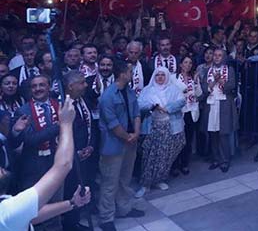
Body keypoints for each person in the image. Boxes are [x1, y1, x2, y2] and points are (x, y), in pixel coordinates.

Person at [0, 98, 91, 231]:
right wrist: (65, 124)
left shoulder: (10, 211)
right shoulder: (7, 212)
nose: (1, 167)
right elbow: (64, 165)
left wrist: (71, 203)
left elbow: (30, 215)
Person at [98, 60, 144, 231]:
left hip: (130, 141)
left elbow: (137, 113)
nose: (132, 74)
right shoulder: (108, 96)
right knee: (110, 182)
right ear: (123, 74)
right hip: (114, 144)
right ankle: (106, 218)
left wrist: (136, 133)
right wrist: (128, 137)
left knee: (125, 179)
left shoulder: (129, 91)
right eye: (130, 72)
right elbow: (112, 123)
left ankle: (124, 208)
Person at [136, 67, 186, 194]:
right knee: (149, 156)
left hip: (169, 126)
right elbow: (139, 104)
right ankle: (145, 184)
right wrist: (152, 106)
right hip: (152, 127)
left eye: (162, 75)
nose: (159, 77)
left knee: (165, 155)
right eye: (157, 75)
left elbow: (181, 101)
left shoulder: (174, 89)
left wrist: (167, 109)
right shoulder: (147, 90)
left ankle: (159, 180)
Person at [11, 75, 62, 192]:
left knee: (57, 199)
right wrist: (58, 126)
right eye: (34, 86)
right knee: (36, 204)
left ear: (49, 87)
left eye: (41, 85)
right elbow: (30, 140)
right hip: (35, 165)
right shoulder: (23, 111)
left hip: (57, 160)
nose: (37, 89)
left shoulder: (59, 105)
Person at [61, 71, 95, 231]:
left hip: (87, 154)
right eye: (82, 83)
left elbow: (92, 124)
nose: (86, 85)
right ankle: (70, 225)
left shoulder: (84, 99)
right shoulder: (63, 105)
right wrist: (76, 152)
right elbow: (63, 135)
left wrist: (91, 145)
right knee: (71, 190)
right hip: (72, 158)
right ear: (71, 86)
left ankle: (77, 220)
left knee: (84, 187)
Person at [199, 48, 236, 173]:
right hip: (211, 104)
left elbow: (231, 85)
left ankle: (225, 160)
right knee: (212, 133)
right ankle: (215, 159)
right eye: (215, 55)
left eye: (219, 55)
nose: (216, 57)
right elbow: (204, 89)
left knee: (223, 134)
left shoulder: (229, 70)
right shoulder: (207, 71)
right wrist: (214, 80)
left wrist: (220, 80)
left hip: (224, 104)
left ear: (224, 57)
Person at [174, 55, 202, 175]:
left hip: (191, 111)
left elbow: (199, 94)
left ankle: (184, 163)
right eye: (185, 62)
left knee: (188, 140)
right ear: (181, 64)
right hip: (179, 112)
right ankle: (174, 165)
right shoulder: (174, 78)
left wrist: (196, 81)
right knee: (177, 140)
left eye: (190, 63)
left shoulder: (193, 78)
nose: (188, 65)